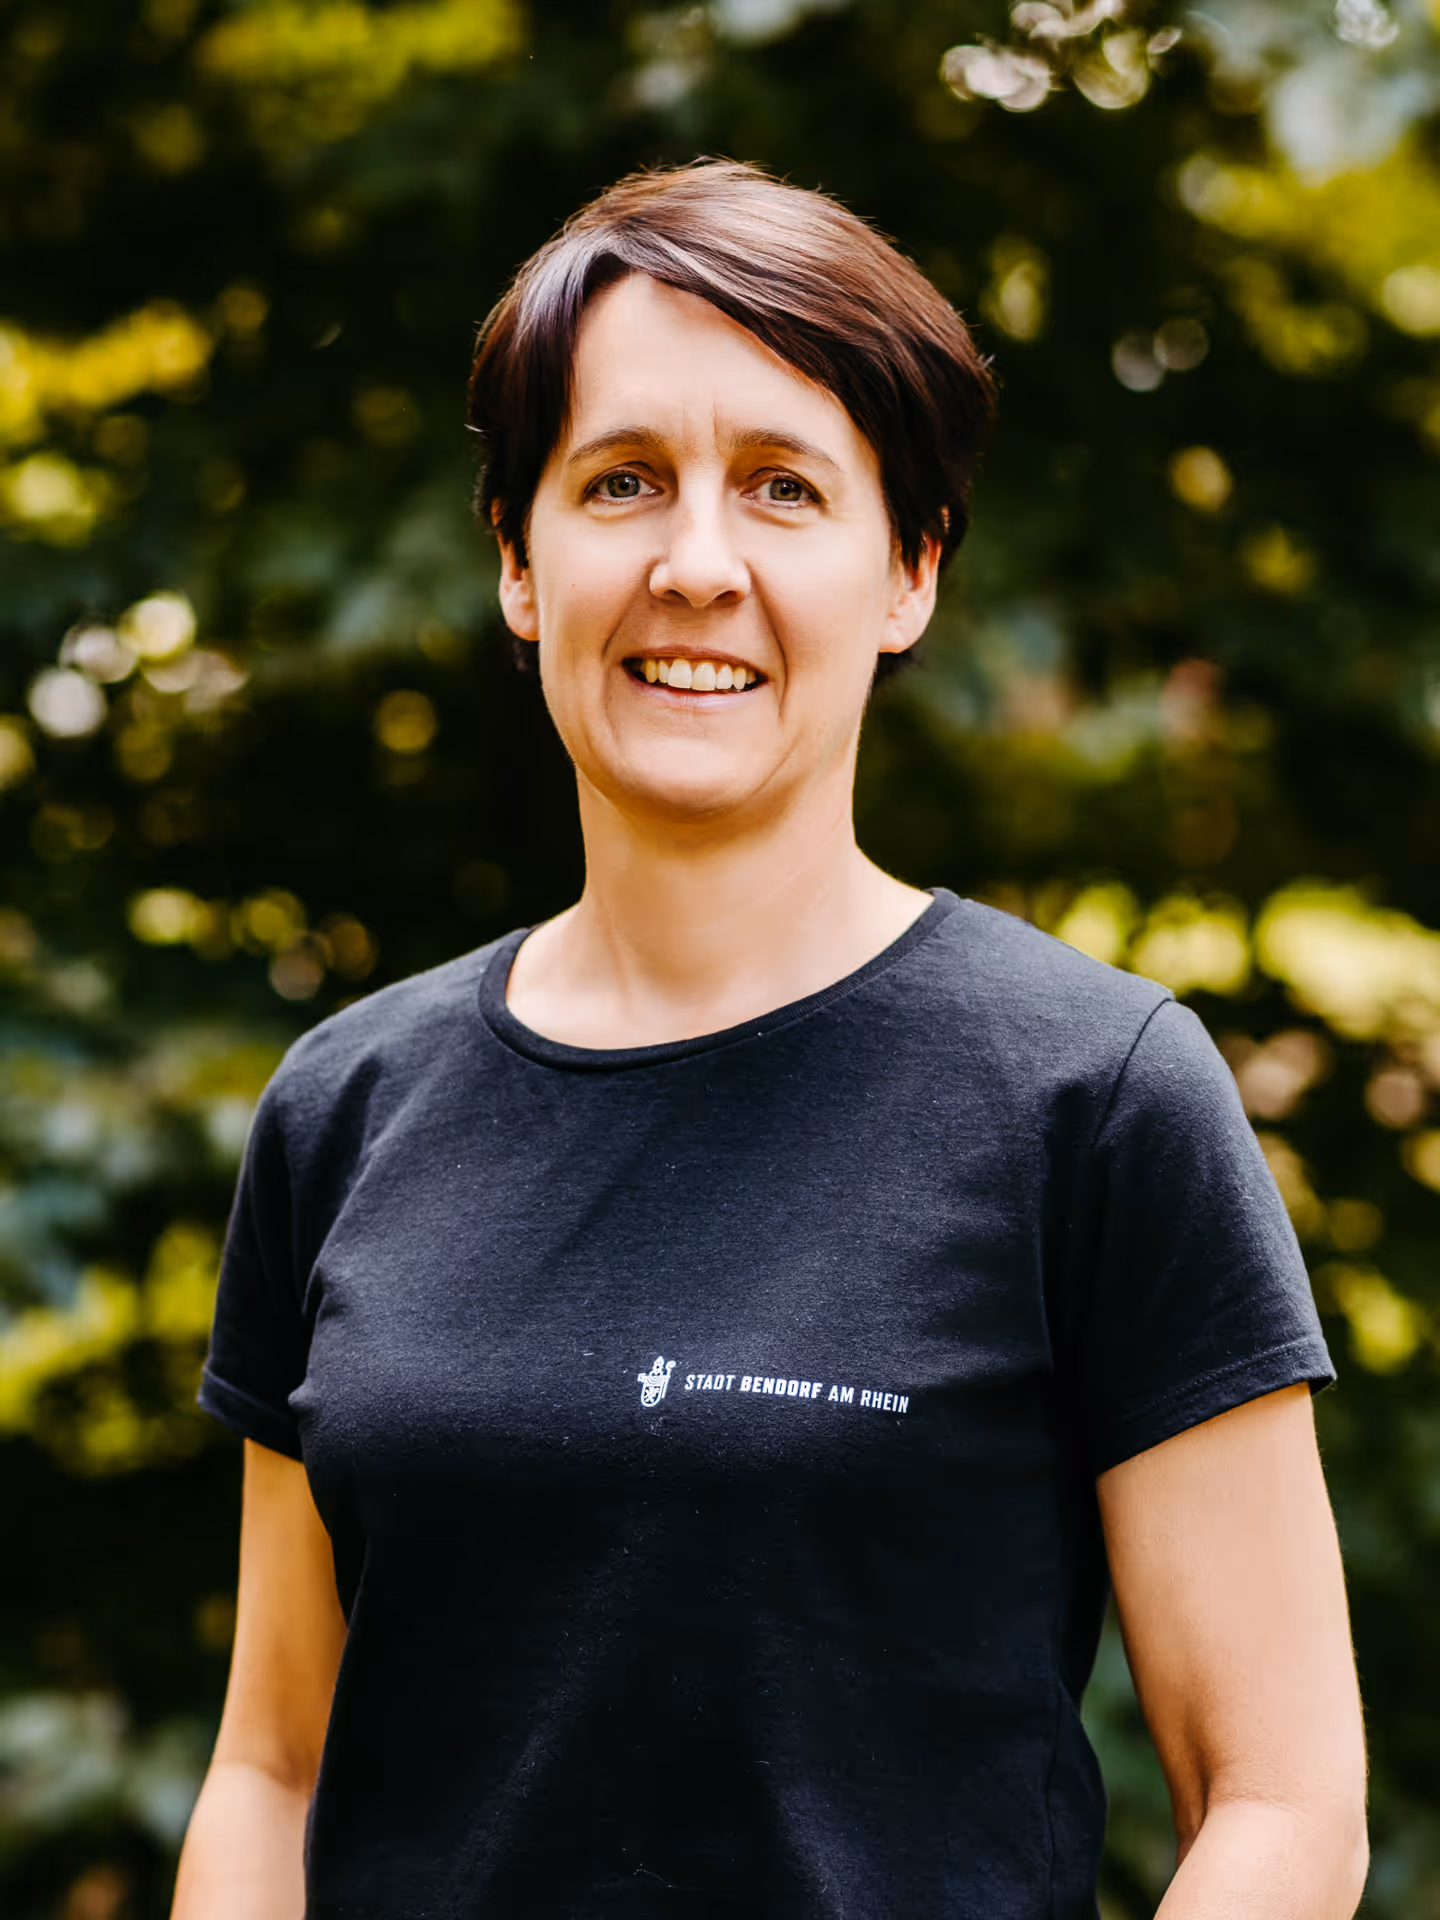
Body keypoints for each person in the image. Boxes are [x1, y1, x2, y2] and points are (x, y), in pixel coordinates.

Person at [172, 160, 1368, 1920]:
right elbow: (272, 1765)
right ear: (520, 561)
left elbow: (1282, 1803)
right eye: (624, 481)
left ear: (907, 576)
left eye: (786, 489)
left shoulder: (1093, 1100)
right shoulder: (348, 1106)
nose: (697, 565)